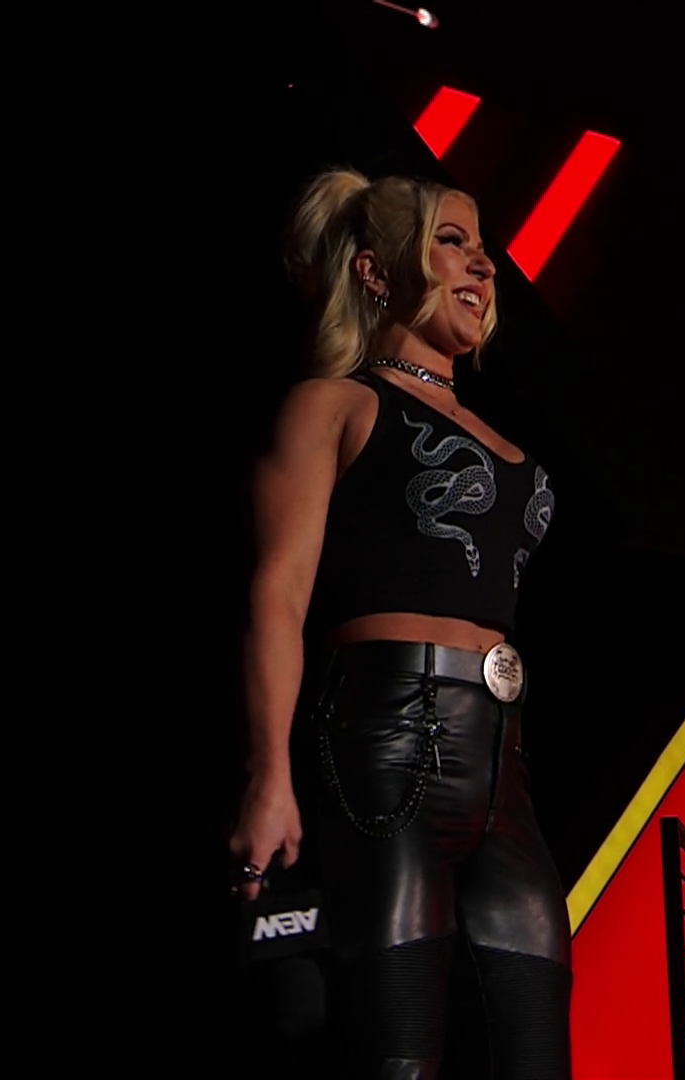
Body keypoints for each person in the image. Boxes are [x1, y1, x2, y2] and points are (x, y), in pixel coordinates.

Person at [229, 168, 571, 1079]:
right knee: (395, 1056)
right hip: (386, 745)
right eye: (451, 242)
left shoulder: (498, 434)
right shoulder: (334, 403)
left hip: (503, 769)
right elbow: (278, 595)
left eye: (484, 248)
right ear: (378, 272)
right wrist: (269, 777)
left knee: (535, 1054)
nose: (483, 265)